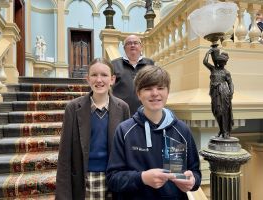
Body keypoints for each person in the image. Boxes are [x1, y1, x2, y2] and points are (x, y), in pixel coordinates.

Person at [106, 65, 201, 200]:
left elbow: (195, 173)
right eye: (148, 89)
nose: (155, 93)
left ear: (168, 92)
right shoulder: (124, 130)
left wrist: (192, 181)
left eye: (160, 88)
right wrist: (142, 178)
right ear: (138, 94)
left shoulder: (181, 130)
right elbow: (113, 179)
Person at [56, 58, 130, 200]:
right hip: (84, 181)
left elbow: (127, 151)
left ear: (112, 79)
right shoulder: (73, 108)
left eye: (104, 75)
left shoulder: (123, 108)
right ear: (87, 79)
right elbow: (64, 156)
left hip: (113, 179)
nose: (99, 80)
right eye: (94, 75)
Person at [112, 35, 154, 115]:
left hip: (145, 112)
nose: (132, 45)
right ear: (124, 48)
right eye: (129, 43)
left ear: (141, 47)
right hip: (120, 113)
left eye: (135, 43)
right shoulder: (114, 64)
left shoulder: (150, 64)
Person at [203, 49, 234, 138]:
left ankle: (225, 131)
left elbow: (230, 83)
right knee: (216, 111)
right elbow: (205, 62)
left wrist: (231, 92)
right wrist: (208, 53)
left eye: (223, 62)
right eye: (220, 61)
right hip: (214, 92)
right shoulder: (213, 68)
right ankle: (221, 129)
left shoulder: (226, 72)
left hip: (223, 92)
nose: (221, 63)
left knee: (223, 112)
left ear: (225, 63)